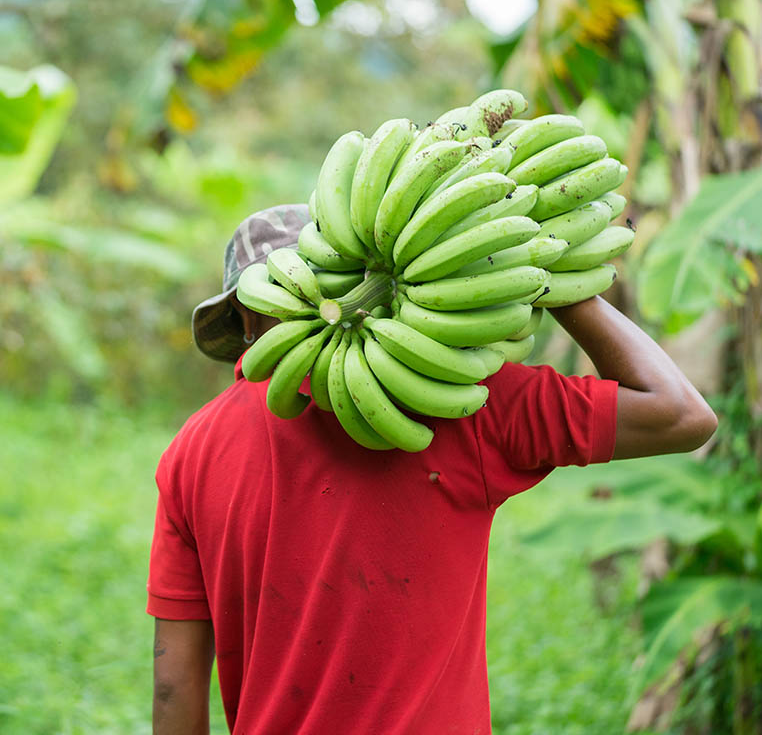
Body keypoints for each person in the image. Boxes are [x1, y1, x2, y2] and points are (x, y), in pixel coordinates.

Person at [147, 204, 717, 735]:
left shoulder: (190, 452)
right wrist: (558, 281)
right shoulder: (461, 402)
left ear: (243, 320)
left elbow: (175, 689)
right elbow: (681, 414)